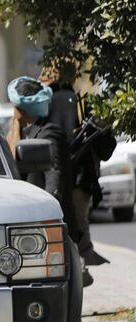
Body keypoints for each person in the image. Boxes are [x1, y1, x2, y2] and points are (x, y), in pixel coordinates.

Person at [39, 65, 112, 274]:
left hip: (54, 175)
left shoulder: (48, 101)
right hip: (80, 178)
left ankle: (74, 269)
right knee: (77, 226)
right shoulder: (79, 101)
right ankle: (79, 267)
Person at [7, 76, 79, 240]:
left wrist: (44, 219)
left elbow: (54, 184)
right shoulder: (23, 131)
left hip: (49, 230)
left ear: (22, 108)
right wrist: (15, 128)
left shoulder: (49, 135)